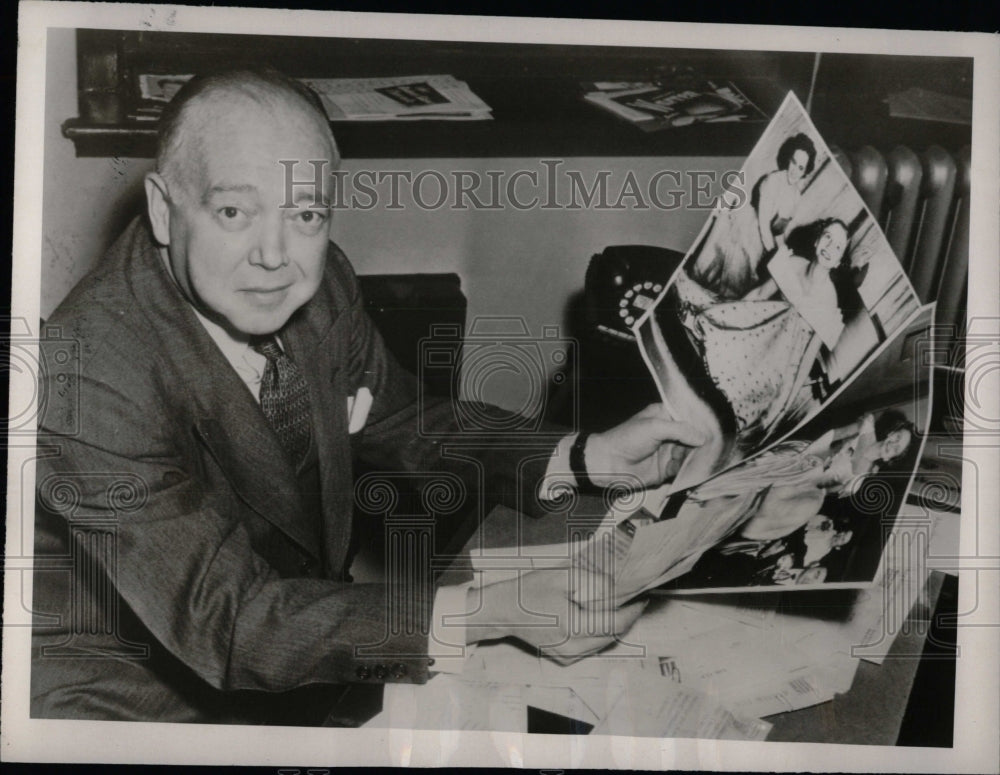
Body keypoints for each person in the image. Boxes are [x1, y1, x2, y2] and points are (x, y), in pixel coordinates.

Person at [31, 69, 706, 725]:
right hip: (139, 699)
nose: (274, 253)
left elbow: (406, 416)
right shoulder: (86, 375)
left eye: (306, 212)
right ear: (162, 207)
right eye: (233, 210)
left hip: (308, 636)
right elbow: (230, 623)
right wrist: (492, 610)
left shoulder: (312, 284)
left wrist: (589, 456)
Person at [672, 217, 852, 446]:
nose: (830, 247)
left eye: (838, 246)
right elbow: (759, 296)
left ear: (838, 261)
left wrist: (784, 402)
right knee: (708, 321)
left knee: (739, 405)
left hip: (781, 360)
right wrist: (729, 315)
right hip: (760, 331)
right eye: (827, 237)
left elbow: (806, 359)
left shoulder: (830, 303)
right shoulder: (794, 263)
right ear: (817, 241)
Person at [691, 132, 817, 299]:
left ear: (806, 171)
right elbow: (764, 224)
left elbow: (778, 231)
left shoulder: (796, 197)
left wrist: (783, 254)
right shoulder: (772, 180)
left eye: (801, 167)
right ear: (788, 159)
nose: (794, 170)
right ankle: (724, 292)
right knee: (748, 236)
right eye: (794, 162)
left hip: (763, 238)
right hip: (749, 224)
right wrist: (775, 255)